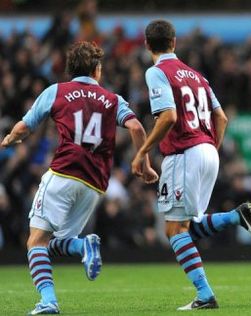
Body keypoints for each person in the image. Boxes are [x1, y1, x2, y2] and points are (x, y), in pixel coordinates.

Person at [1, 41, 158, 315]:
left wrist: (10, 139)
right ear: (97, 70)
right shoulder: (113, 99)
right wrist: (142, 162)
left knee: (35, 242)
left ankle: (49, 301)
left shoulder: (57, 91)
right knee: (53, 243)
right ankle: (80, 245)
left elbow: (25, 127)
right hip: (95, 184)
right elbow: (135, 126)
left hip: (64, 172)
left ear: (70, 70)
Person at [131, 19, 251, 310]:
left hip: (185, 154)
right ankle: (236, 217)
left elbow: (167, 117)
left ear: (147, 45)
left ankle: (205, 294)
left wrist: (142, 151)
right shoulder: (197, 75)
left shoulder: (157, 72)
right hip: (208, 150)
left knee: (173, 230)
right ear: (174, 42)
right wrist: (210, 148)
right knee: (187, 225)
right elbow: (222, 118)